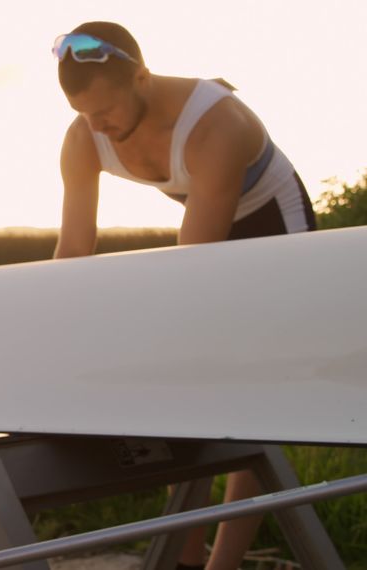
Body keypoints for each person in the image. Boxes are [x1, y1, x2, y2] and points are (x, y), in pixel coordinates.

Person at [52, 22, 316, 570]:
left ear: (143, 78)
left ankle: (223, 564)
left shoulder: (217, 123)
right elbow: (73, 249)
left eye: (106, 112)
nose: (98, 126)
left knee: (257, 402)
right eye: (85, 114)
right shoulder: (85, 134)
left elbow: (191, 265)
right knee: (185, 388)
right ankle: (185, 559)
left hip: (275, 233)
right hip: (206, 235)